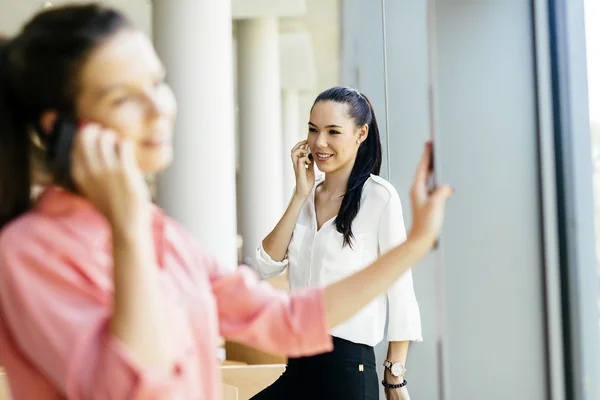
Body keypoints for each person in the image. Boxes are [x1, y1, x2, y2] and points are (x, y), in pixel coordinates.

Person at [0, 4, 453, 400]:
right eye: (124, 97)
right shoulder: (27, 254)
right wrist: (128, 229)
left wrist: (415, 243)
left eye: (156, 82)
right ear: (61, 126)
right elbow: (126, 389)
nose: (160, 107)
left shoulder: (161, 233)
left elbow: (287, 318)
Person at [252, 86, 420, 400]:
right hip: (298, 365)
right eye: (313, 130)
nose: (319, 143)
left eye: (333, 132)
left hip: (347, 370)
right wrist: (299, 194)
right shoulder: (307, 195)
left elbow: (400, 287)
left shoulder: (379, 198)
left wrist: (395, 375)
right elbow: (266, 264)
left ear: (361, 134)